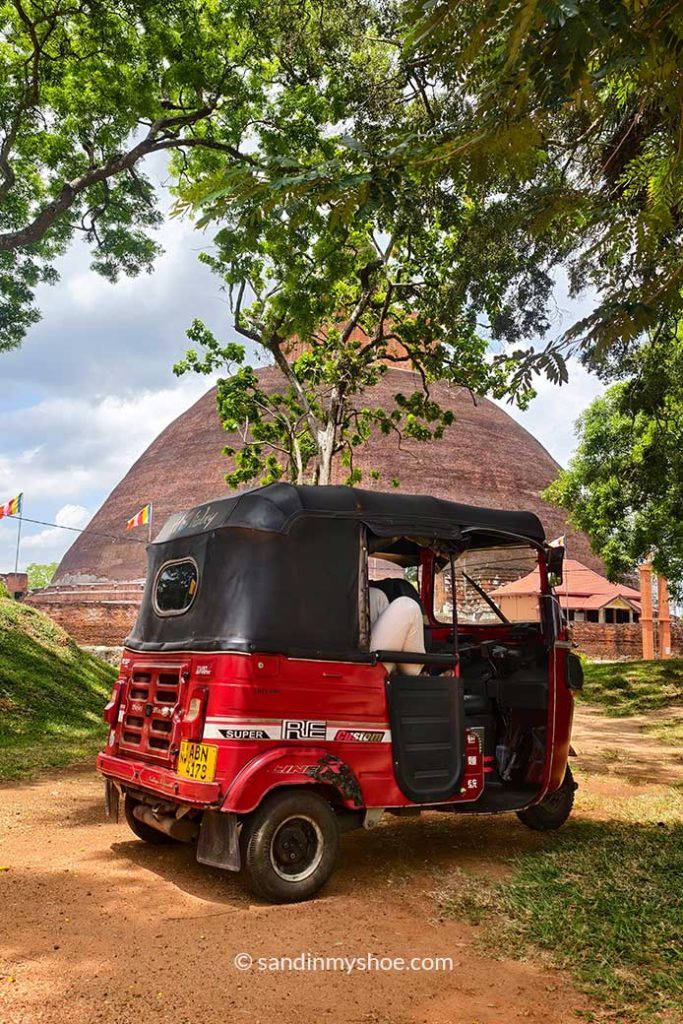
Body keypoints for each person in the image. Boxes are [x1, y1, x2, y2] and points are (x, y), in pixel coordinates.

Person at [369, 585, 425, 675]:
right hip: (357, 665)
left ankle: (395, 670)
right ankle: (416, 677)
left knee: (375, 595)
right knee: (407, 606)